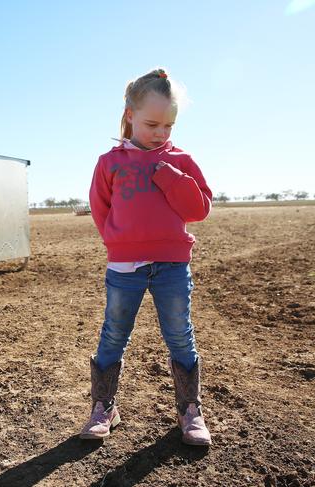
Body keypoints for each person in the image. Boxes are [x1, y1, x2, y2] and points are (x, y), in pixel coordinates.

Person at [80, 68, 213, 446]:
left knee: (180, 337)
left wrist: (172, 178)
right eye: (152, 124)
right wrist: (118, 241)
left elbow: (200, 208)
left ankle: (190, 411)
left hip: (172, 265)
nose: (161, 133)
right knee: (113, 335)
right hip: (124, 267)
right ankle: (104, 406)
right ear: (129, 116)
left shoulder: (181, 161)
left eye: (169, 126)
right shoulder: (110, 161)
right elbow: (100, 207)